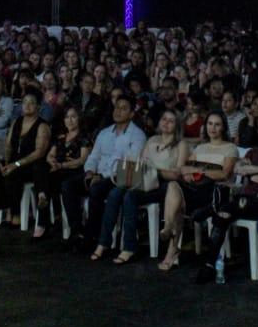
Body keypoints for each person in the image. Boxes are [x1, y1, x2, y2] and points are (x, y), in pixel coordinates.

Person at [195, 115, 258, 284]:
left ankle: (214, 209)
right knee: (222, 216)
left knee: (224, 211)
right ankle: (208, 265)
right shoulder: (254, 151)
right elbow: (238, 169)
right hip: (245, 198)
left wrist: (254, 173)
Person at [94, 110, 187, 263]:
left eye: (171, 120)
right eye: (164, 119)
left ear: (177, 125)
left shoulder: (181, 144)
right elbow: (141, 164)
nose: (166, 123)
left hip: (164, 185)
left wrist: (155, 171)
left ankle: (129, 247)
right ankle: (103, 242)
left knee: (130, 197)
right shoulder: (152, 140)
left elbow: (178, 174)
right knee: (115, 193)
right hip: (144, 181)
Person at [158, 111, 238, 270]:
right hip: (195, 189)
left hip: (215, 194)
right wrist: (192, 172)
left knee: (177, 203)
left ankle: (172, 249)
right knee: (174, 186)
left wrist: (199, 171)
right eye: (210, 124)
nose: (213, 128)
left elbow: (224, 174)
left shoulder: (230, 148)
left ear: (223, 128)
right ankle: (168, 230)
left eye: (217, 124)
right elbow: (185, 169)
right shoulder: (200, 148)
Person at [63, 96, 145, 253]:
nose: (118, 111)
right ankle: (77, 231)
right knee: (68, 185)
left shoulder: (137, 135)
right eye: (117, 107)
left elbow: (129, 166)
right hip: (96, 174)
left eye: (123, 108)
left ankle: (91, 235)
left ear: (132, 114)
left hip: (118, 178)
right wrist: (89, 172)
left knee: (97, 189)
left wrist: (101, 176)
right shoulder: (105, 133)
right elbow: (94, 156)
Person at [0, 91, 52, 226]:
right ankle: (7, 208)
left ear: (38, 107)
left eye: (31, 103)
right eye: (25, 102)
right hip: (15, 161)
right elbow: (8, 145)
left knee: (13, 174)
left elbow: (39, 152)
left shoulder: (42, 126)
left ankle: (16, 215)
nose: (27, 105)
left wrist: (16, 164)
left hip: (32, 164)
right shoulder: (17, 122)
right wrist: (6, 162)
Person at [34, 104, 90, 239]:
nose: (69, 120)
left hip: (73, 172)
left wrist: (62, 165)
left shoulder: (84, 137)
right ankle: (43, 197)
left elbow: (81, 160)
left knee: (47, 180)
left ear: (79, 119)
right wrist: (52, 161)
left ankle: (42, 220)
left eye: (73, 117)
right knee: (41, 166)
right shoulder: (60, 136)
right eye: (67, 117)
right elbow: (50, 155)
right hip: (57, 171)